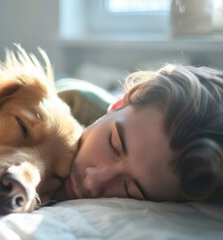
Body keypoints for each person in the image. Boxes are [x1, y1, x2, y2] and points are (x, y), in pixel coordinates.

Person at [56, 64, 223, 204]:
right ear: (120, 103)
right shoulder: (67, 101)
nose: (92, 181)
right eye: (113, 145)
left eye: (128, 189)